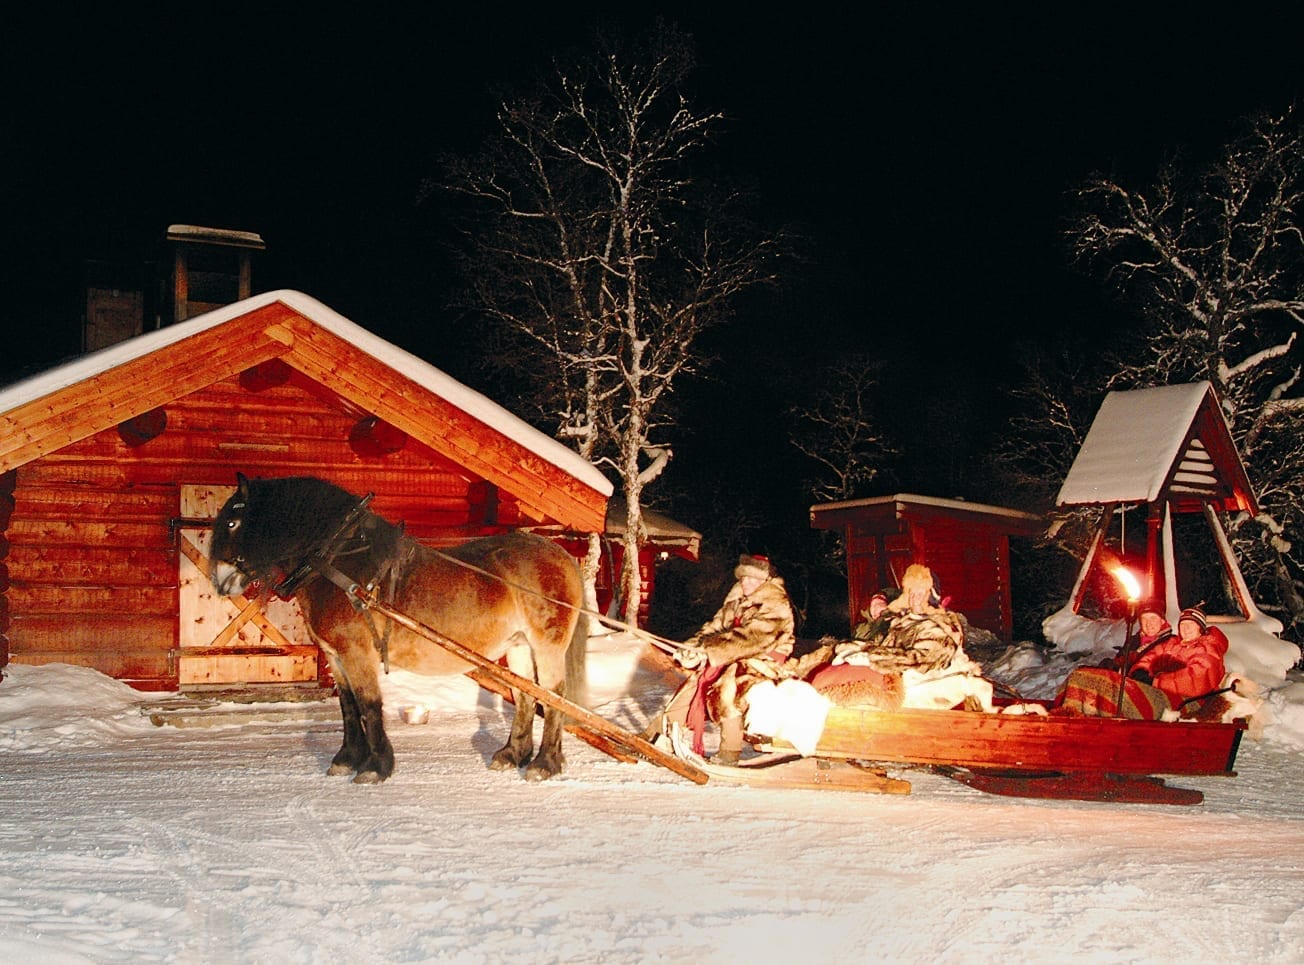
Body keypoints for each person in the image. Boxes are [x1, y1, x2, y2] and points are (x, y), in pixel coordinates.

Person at [650, 554, 796, 763]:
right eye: (743, 578)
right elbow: (714, 628)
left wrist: (711, 650)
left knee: (728, 686)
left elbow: (754, 639)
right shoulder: (736, 602)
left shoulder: (774, 603)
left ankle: (730, 751)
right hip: (732, 657)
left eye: (752, 579)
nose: (746, 582)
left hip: (764, 662)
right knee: (694, 683)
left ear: (764, 580)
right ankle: (659, 734)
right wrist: (693, 647)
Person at [1056, 606, 1227, 718]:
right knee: (1082, 675)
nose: (1186, 628)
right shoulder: (1172, 643)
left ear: (1200, 628)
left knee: (1113, 688)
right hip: (1157, 690)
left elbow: (1195, 679)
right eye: (1183, 624)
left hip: (1184, 701)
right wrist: (1140, 671)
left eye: (1191, 624)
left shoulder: (1208, 649)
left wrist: (1155, 681)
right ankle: (1072, 715)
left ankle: (1097, 721)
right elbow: (1148, 658)